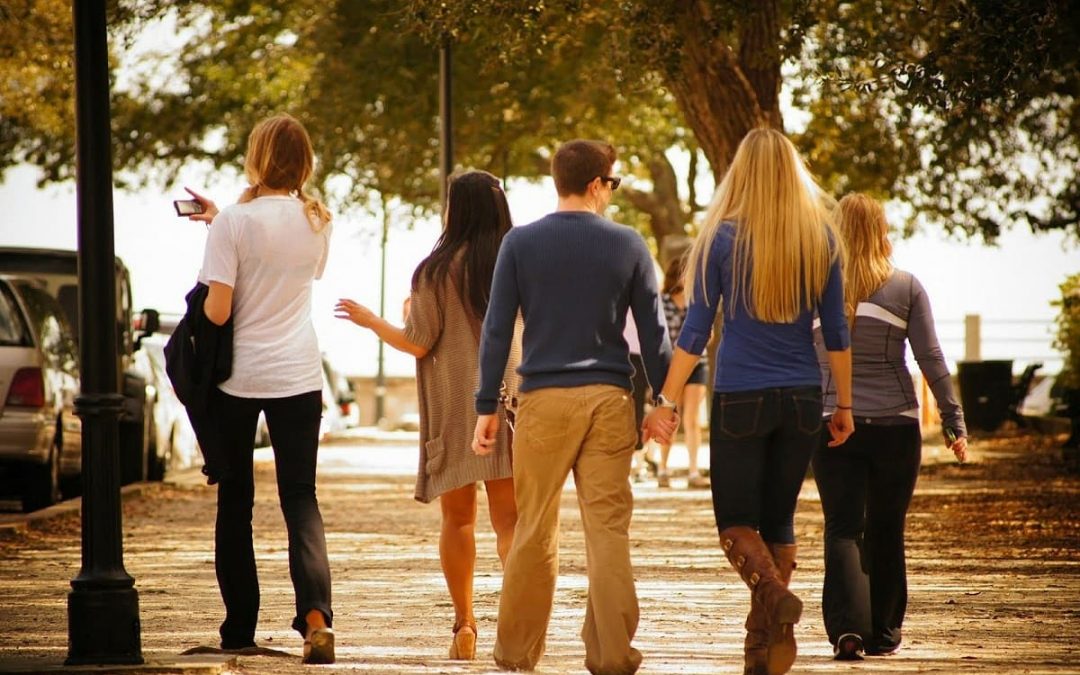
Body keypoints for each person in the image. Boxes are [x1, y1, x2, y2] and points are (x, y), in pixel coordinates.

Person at [644, 127, 855, 675]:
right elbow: (836, 330)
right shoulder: (822, 239)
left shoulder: (722, 238)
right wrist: (845, 405)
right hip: (803, 397)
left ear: (741, 173)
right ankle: (762, 650)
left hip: (740, 395)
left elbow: (695, 330)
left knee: (736, 523)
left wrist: (666, 400)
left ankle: (775, 605)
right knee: (778, 521)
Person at [472, 139, 674, 675]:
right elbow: (654, 333)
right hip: (610, 400)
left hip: (542, 401)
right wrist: (664, 400)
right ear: (594, 184)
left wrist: (485, 406)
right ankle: (612, 655)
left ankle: (516, 654)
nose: (612, 193)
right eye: (612, 183)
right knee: (607, 529)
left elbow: (497, 329)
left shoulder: (520, 243)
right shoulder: (628, 244)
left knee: (535, 525)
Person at [335, 170, 520, 661]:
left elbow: (419, 340)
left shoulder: (435, 271)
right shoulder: (519, 259)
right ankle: (515, 623)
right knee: (512, 523)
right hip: (511, 403)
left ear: (456, 210)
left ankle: (465, 625)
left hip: (456, 406)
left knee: (458, 519)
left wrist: (374, 321)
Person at [184, 113, 336, 664]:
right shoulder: (319, 220)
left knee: (236, 501)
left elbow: (219, 310)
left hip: (238, 379)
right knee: (301, 498)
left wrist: (202, 288)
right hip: (298, 374)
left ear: (257, 156)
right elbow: (286, 262)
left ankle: (240, 628)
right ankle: (316, 617)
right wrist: (223, 222)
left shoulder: (235, 225)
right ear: (304, 161)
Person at [811, 193, 968, 660]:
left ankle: (847, 631)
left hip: (830, 422)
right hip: (896, 426)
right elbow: (930, 357)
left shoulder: (813, 288)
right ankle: (883, 630)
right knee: (886, 526)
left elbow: (796, 356)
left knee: (842, 526)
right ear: (881, 231)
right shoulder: (906, 287)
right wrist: (953, 418)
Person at [655, 253, 710, 489]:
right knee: (668, 415)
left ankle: (694, 470)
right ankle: (663, 468)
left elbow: (709, 334)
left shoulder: (697, 302)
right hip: (672, 365)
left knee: (691, 419)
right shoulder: (662, 301)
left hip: (698, 363)